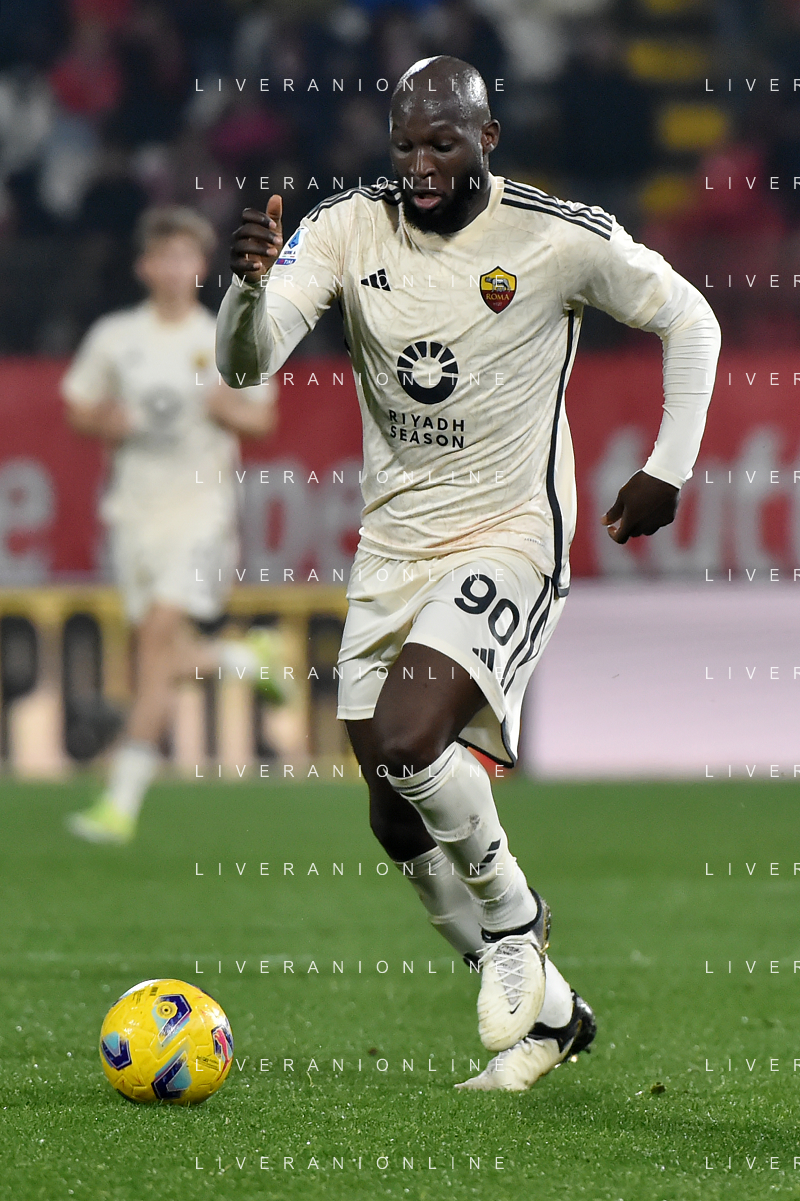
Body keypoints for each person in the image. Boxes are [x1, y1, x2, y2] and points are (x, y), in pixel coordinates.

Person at [216, 56, 721, 1091]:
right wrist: (245, 289)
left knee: (412, 739)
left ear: (487, 137)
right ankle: (556, 1016)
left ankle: (515, 924)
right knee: (393, 814)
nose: (419, 164)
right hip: (392, 547)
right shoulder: (347, 228)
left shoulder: (556, 237)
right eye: (404, 145)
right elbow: (244, 363)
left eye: (441, 143)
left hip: (507, 535)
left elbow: (691, 320)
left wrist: (668, 467)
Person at [63, 206, 280, 845]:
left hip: (200, 510)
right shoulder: (115, 336)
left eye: (187, 257)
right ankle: (241, 657)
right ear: (146, 266)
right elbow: (77, 405)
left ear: (200, 266)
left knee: (157, 639)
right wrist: (105, 421)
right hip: (133, 512)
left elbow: (262, 418)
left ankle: (120, 802)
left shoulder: (226, 336)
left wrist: (226, 410)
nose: (176, 268)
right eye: (165, 257)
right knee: (160, 653)